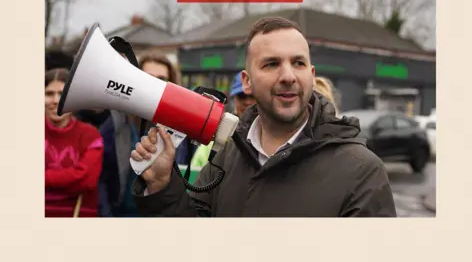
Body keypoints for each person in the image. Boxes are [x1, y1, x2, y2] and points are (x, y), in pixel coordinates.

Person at [129, 17, 397, 217]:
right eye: (271, 64)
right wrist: (163, 185)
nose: (289, 76)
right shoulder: (227, 154)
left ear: (311, 75)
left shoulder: (362, 171)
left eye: (299, 63)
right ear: (246, 82)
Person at [97, 48, 196, 217]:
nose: (155, 84)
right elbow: (101, 179)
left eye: (162, 79)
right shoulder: (117, 123)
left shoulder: (183, 128)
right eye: (148, 78)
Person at [44, 68, 103, 217]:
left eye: (63, 94)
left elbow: (87, 180)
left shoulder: (90, 135)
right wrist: (71, 177)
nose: (56, 100)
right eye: (49, 94)